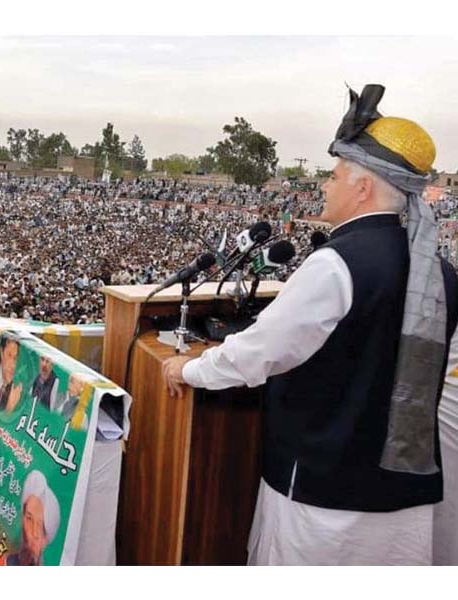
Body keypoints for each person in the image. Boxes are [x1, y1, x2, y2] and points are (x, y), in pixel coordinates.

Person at [162, 84, 458, 566]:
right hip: (404, 500)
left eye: (334, 176)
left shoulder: (336, 264)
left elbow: (257, 353)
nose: (324, 186)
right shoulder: (441, 273)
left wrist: (185, 370)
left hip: (325, 503)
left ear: (363, 188)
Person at [5, 470, 60, 566]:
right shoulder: (8, 561)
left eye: (40, 525)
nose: (34, 532)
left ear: (46, 540)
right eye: (29, 519)